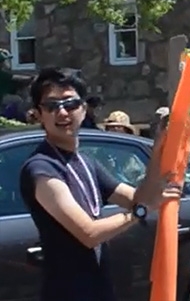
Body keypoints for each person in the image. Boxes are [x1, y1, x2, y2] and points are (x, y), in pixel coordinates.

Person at [19, 67, 179, 300]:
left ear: (84, 109)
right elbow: (89, 233)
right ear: (39, 114)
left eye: (70, 104)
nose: (62, 113)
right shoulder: (41, 169)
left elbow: (138, 197)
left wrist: (158, 151)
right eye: (52, 106)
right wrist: (141, 211)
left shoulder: (86, 163)